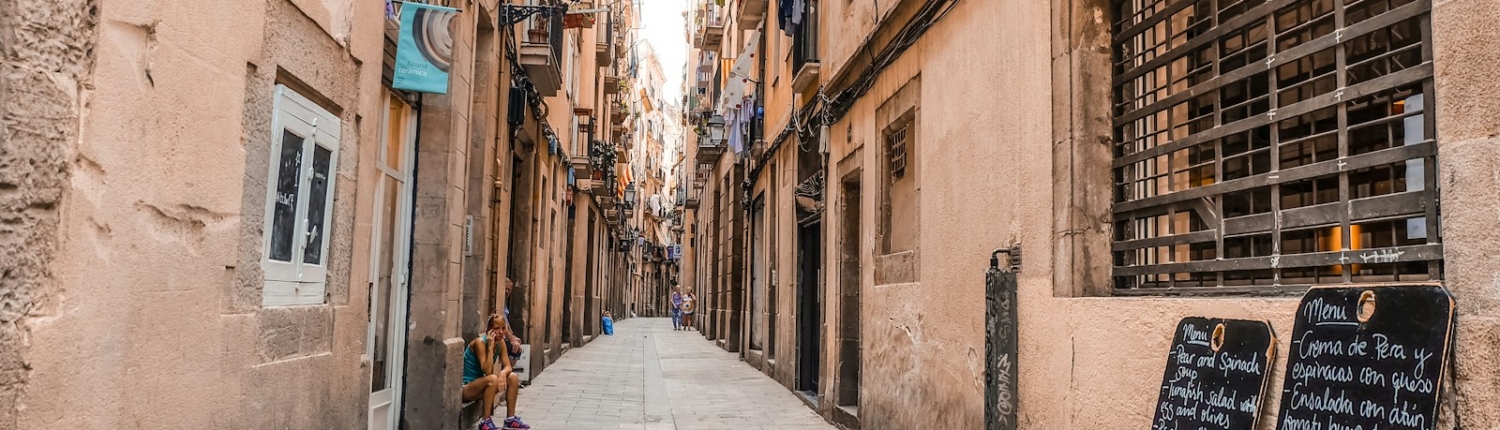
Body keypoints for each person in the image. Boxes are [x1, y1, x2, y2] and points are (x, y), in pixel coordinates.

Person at [462, 315, 529, 430]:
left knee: (512, 377)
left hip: (482, 385)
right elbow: (488, 371)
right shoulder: (480, 343)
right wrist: (490, 347)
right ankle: (485, 421)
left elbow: (508, 366)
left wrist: (503, 373)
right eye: (497, 328)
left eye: (503, 328)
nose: (501, 332)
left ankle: (510, 418)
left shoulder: (501, 343)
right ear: (489, 330)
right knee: (492, 378)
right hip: (467, 388)